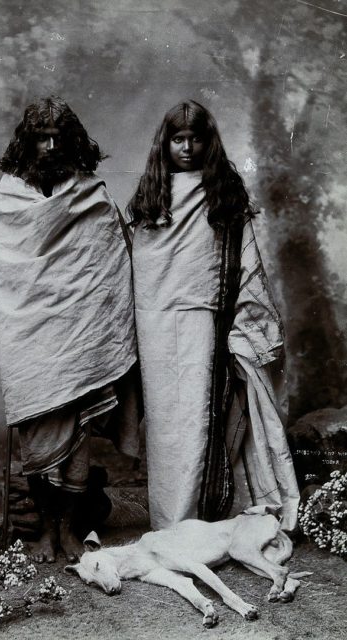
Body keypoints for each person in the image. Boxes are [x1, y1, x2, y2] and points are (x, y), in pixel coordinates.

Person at [128, 101, 299, 532]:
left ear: (209, 141)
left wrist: (240, 320)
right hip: (156, 321)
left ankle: (198, 517)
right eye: (178, 139)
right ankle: (170, 519)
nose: (187, 147)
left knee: (200, 414)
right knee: (167, 422)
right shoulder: (151, 196)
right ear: (164, 143)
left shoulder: (223, 192)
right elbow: (141, 263)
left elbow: (244, 261)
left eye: (196, 138)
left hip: (207, 317)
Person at [0, 96, 140, 562]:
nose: (50, 145)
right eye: (40, 137)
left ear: (72, 140)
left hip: (82, 337)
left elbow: (112, 261)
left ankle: (68, 528)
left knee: (77, 431)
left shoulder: (91, 193)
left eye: (59, 136)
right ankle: (43, 531)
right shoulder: (10, 197)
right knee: (38, 431)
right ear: (27, 142)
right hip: (31, 336)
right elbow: (12, 270)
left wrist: (92, 316)